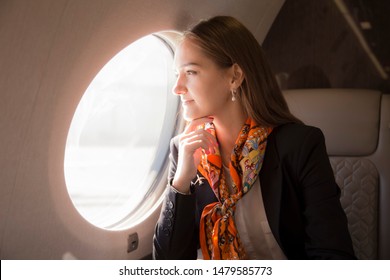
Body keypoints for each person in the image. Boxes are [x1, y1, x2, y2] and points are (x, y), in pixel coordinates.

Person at [153, 16, 356, 260]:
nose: (177, 87)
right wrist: (181, 182)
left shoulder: (300, 146)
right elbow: (167, 265)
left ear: (235, 76)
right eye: (177, 73)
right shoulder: (184, 149)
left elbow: (333, 255)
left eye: (191, 72)